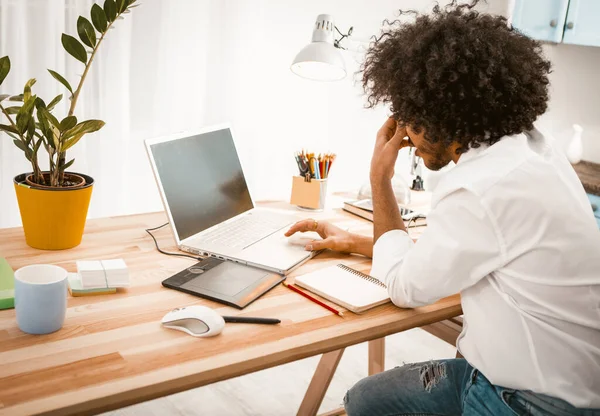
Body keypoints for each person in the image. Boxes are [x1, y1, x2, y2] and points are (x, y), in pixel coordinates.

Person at [285, 2, 600, 415]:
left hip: (528, 402)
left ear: (443, 116)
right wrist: (360, 242)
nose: (407, 137)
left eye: (410, 120)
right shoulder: (532, 149)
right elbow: (470, 251)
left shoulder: (478, 187)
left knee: (363, 403)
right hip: (569, 381)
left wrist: (380, 177)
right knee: (365, 398)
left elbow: (405, 289)